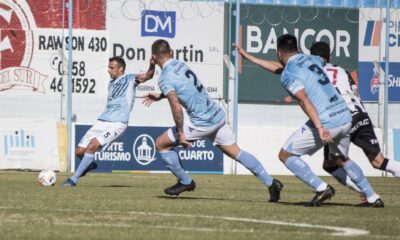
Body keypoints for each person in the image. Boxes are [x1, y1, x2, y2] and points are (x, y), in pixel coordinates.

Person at [234, 34, 383, 207]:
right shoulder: (313, 59)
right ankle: (372, 197)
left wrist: (320, 127)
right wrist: (250, 57)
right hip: (345, 115)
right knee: (342, 159)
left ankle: (321, 187)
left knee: (286, 155)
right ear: (296, 48)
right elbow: (281, 68)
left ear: (279, 53)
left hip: (327, 121)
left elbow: (304, 100)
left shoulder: (289, 73)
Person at [142, 39, 283, 202]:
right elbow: (186, 88)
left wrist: (181, 133)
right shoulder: (181, 64)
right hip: (217, 114)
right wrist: (161, 95)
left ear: (153, 56)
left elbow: (176, 107)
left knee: (160, 144)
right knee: (236, 152)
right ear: (171, 52)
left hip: (202, 121)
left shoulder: (165, 77)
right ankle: (271, 183)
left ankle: (185, 182)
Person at [310, 41, 400, 195]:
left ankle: (367, 194)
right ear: (329, 56)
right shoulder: (342, 71)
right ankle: (369, 193)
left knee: (332, 163)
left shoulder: (312, 72)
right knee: (378, 161)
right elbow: (355, 92)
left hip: (338, 117)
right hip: (360, 113)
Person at [63, 56, 156, 187]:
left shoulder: (131, 79)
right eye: (108, 67)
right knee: (79, 151)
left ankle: (73, 180)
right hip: (102, 121)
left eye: (112, 68)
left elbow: (148, 76)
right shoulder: (111, 84)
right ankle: (88, 166)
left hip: (118, 123)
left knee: (93, 145)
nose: (108, 70)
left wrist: (152, 65)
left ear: (121, 69)